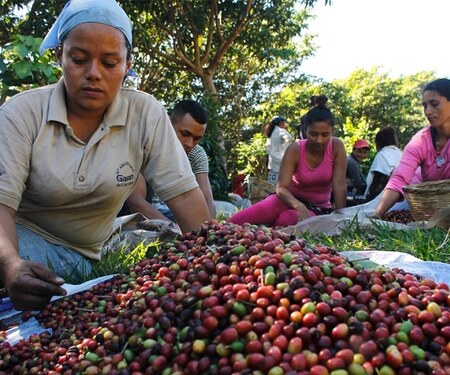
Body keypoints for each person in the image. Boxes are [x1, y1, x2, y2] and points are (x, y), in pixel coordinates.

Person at [0, 0, 210, 311]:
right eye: (79, 59)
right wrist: (11, 265)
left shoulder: (145, 114)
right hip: (22, 239)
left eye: (110, 63)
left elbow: (185, 197)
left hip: (86, 255)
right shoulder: (22, 113)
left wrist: (219, 262)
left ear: (127, 64)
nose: (94, 74)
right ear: (60, 54)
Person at [230, 101, 347, 227]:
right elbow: (281, 188)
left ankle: (267, 233)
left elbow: (339, 185)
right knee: (245, 217)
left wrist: (340, 218)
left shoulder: (336, 147)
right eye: (314, 134)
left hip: (315, 208)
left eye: (325, 135)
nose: (319, 140)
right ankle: (214, 230)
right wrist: (298, 205)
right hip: (286, 199)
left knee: (285, 221)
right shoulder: (295, 149)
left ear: (332, 132)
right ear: (305, 130)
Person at [123, 99, 216, 221]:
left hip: (171, 213)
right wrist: (175, 232)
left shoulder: (196, 154)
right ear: (169, 122)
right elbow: (136, 202)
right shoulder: (145, 144)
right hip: (138, 214)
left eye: (196, 138)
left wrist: (210, 230)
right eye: (185, 134)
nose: (190, 143)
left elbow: (208, 201)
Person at [374, 78, 450, 217]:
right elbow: (400, 178)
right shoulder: (421, 140)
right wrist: (378, 213)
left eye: (434, 104)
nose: (428, 111)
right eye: (425, 106)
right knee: (370, 211)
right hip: (421, 199)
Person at [364, 126, 403, 201]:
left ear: (378, 143)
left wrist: (368, 198)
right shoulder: (400, 154)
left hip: (386, 197)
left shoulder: (382, 155)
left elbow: (376, 180)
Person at [265, 115, 294, 184]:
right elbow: (289, 138)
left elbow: (268, 148)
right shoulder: (280, 131)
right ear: (281, 122)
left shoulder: (270, 134)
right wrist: (283, 148)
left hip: (273, 164)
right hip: (282, 163)